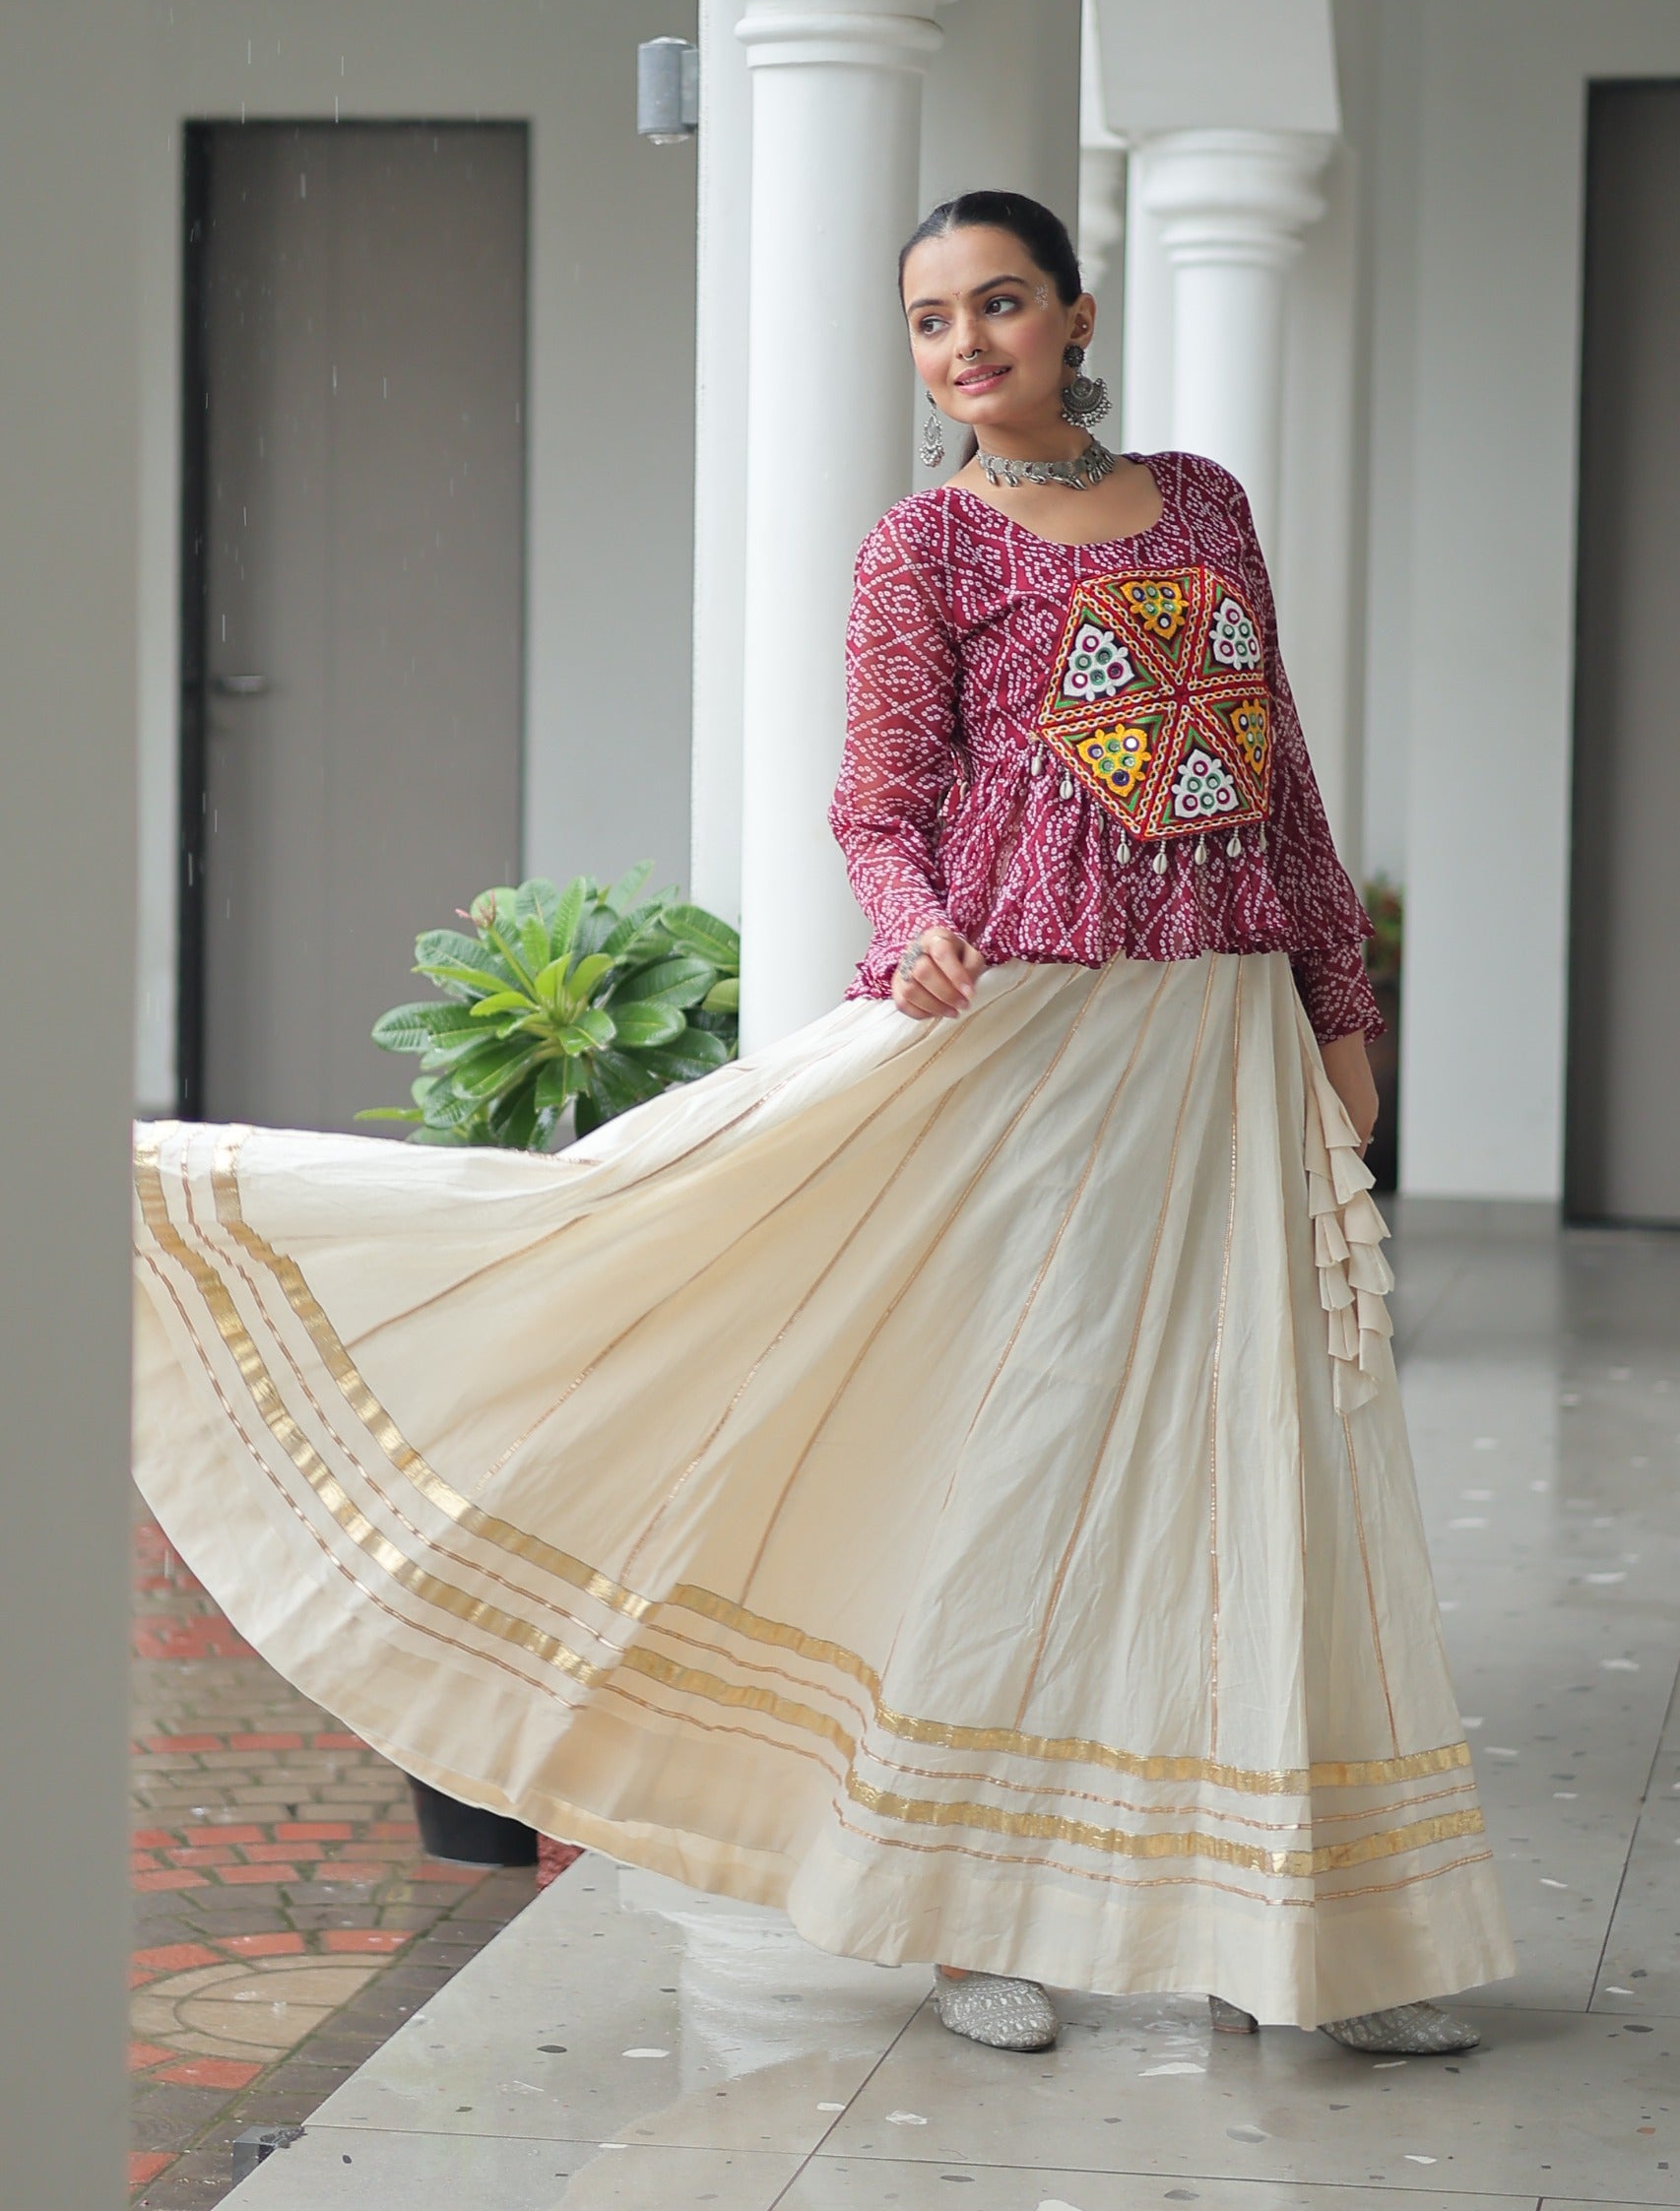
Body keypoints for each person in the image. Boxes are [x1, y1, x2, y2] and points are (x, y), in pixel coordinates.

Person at [132, 190, 1513, 2071]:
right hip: (1023, 1046)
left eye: (1000, 304)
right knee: (1018, 1449)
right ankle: (965, 1906)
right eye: (931, 320)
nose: (967, 346)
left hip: (1216, 1043)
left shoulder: (1202, 503)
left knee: (1264, 1447)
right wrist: (912, 923)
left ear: (1075, 313)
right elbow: (875, 801)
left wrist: (1338, 1013)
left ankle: (1297, 1928)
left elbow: (1276, 782)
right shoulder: (922, 547)